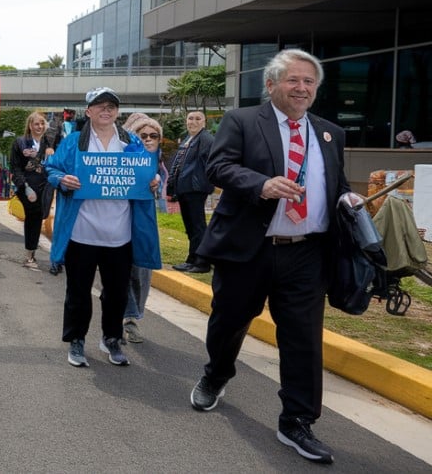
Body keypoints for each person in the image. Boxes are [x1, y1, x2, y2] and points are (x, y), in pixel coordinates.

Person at [188, 50, 358, 465]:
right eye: (293, 81)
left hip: (307, 254)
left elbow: (334, 183)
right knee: (228, 321)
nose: (302, 89)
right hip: (250, 249)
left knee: (302, 339)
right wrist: (261, 184)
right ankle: (216, 375)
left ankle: (297, 420)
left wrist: (347, 198)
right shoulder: (243, 121)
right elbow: (219, 166)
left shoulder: (330, 132)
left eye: (309, 83)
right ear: (271, 85)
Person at [44, 88, 161, 368]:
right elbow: (51, 169)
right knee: (78, 291)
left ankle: (111, 338)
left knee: (117, 293)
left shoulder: (131, 142)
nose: (106, 111)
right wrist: (62, 179)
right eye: (99, 106)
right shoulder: (74, 142)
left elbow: (147, 172)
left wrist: (152, 181)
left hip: (119, 234)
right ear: (89, 112)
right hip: (81, 232)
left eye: (111, 106)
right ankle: (77, 339)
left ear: (117, 112)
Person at [118, 112, 166, 344]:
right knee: (119, 267)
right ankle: (122, 316)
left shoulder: (156, 162)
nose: (147, 139)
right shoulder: (120, 154)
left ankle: (132, 316)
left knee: (141, 269)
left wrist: (156, 180)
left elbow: (160, 177)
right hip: (117, 218)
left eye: (153, 135)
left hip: (143, 220)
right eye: (142, 134)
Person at [169, 110, 216, 273]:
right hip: (185, 189)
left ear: (204, 123)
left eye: (198, 119)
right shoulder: (188, 140)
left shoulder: (206, 139)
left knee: (197, 226)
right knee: (190, 226)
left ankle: (202, 262)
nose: (193, 122)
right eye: (190, 118)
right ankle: (192, 259)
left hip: (196, 189)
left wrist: (203, 182)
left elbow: (211, 163)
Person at [10, 112, 51, 269]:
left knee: (40, 216)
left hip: (45, 186)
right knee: (33, 216)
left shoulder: (49, 144)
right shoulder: (20, 143)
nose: (40, 127)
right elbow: (15, 167)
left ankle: (32, 252)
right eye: (36, 124)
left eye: (42, 124)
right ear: (30, 125)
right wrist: (25, 187)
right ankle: (30, 255)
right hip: (27, 186)